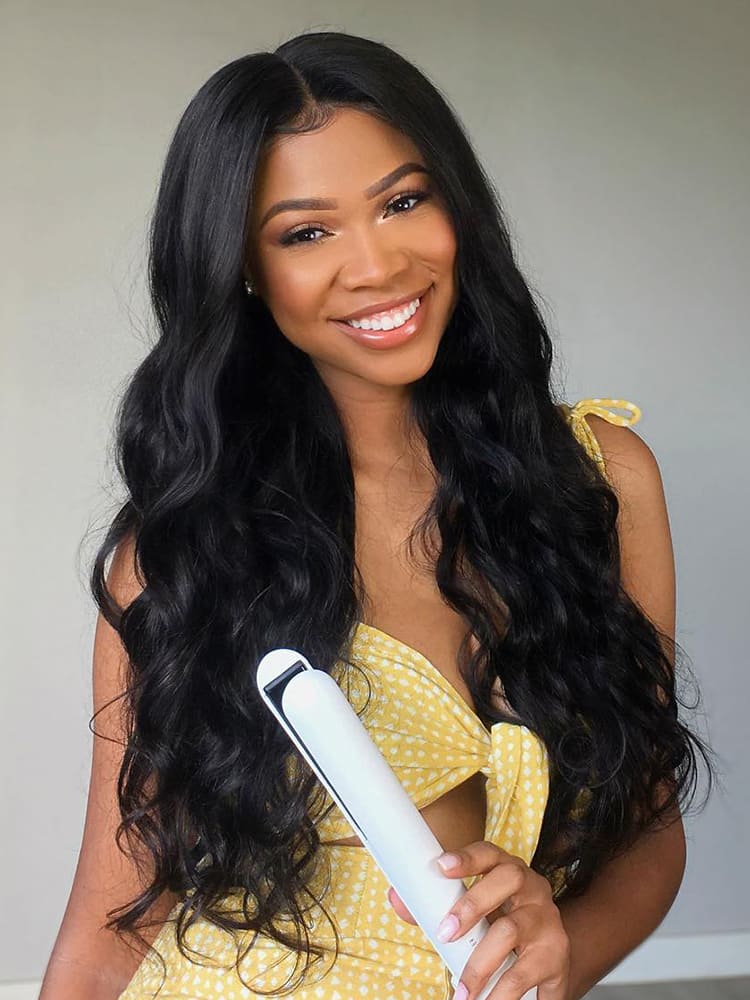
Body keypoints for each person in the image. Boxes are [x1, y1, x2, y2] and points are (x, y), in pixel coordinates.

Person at [40, 30, 713, 1000]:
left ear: (456, 207)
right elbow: (112, 925)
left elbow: (650, 833)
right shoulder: (182, 554)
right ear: (242, 267)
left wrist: (556, 948)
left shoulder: (600, 481)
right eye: (305, 232)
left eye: (402, 202)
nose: (376, 263)